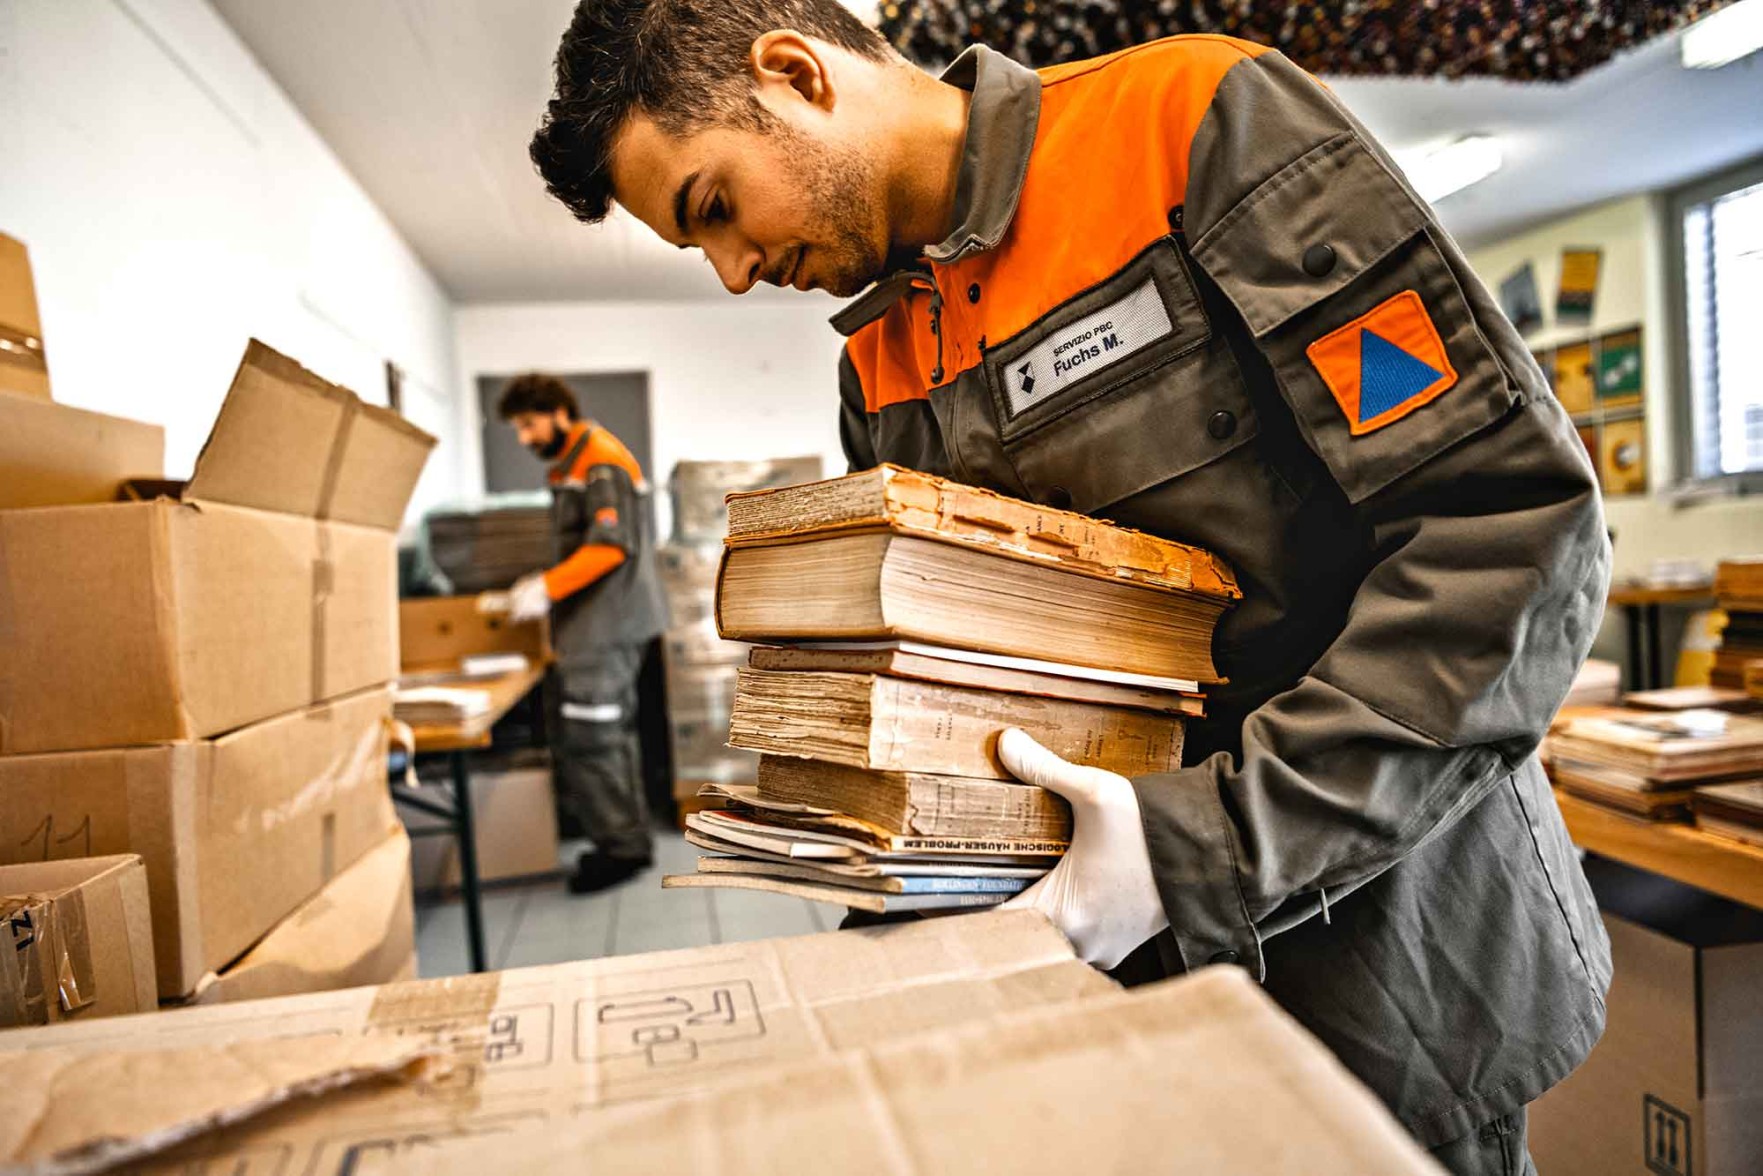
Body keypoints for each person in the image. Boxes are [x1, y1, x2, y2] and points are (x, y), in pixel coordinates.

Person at [528, 6, 1613, 1173]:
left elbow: (1506, 536)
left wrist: (1197, 852)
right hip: (1109, 1007)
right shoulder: (877, 358)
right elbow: (942, 681)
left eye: (714, 208)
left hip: (1380, 972)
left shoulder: (1186, 126)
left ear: (793, 74)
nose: (735, 274)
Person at [497, 373, 667, 893]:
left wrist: (546, 587)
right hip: (597, 623)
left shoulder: (599, 458)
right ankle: (627, 837)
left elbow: (610, 545)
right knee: (607, 736)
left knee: (594, 737)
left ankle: (622, 849)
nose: (524, 439)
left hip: (606, 624)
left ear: (557, 411)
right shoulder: (571, 463)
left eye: (528, 424)